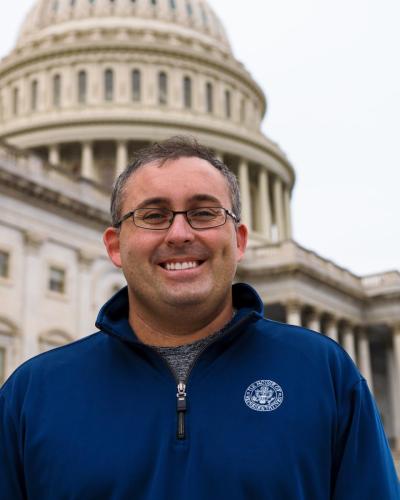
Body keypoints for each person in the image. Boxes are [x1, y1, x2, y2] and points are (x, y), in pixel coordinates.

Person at [0, 136, 399, 499]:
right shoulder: (31, 395)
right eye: (153, 216)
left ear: (239, 240)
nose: (179, 233)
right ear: (115, 246)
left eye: (204, 213)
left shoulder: (323, 374)